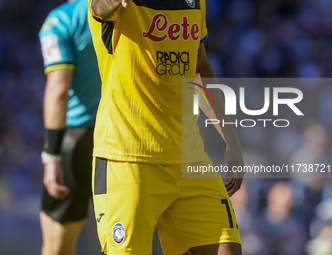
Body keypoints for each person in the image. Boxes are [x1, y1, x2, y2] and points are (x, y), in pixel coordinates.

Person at [88, 0, 244, 254]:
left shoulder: (196, 2)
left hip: (189, 158)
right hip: (128, 160)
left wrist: (231, 139)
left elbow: (198, 67)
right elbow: (100, 8)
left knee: (227, 249)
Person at [38, 0, 101, 254]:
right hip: (118, 136)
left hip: (76, 141)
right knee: (120, 241)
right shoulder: (122, 13)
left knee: (57, 247)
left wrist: (52, 156)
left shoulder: (60, 21)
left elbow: (59, 90)